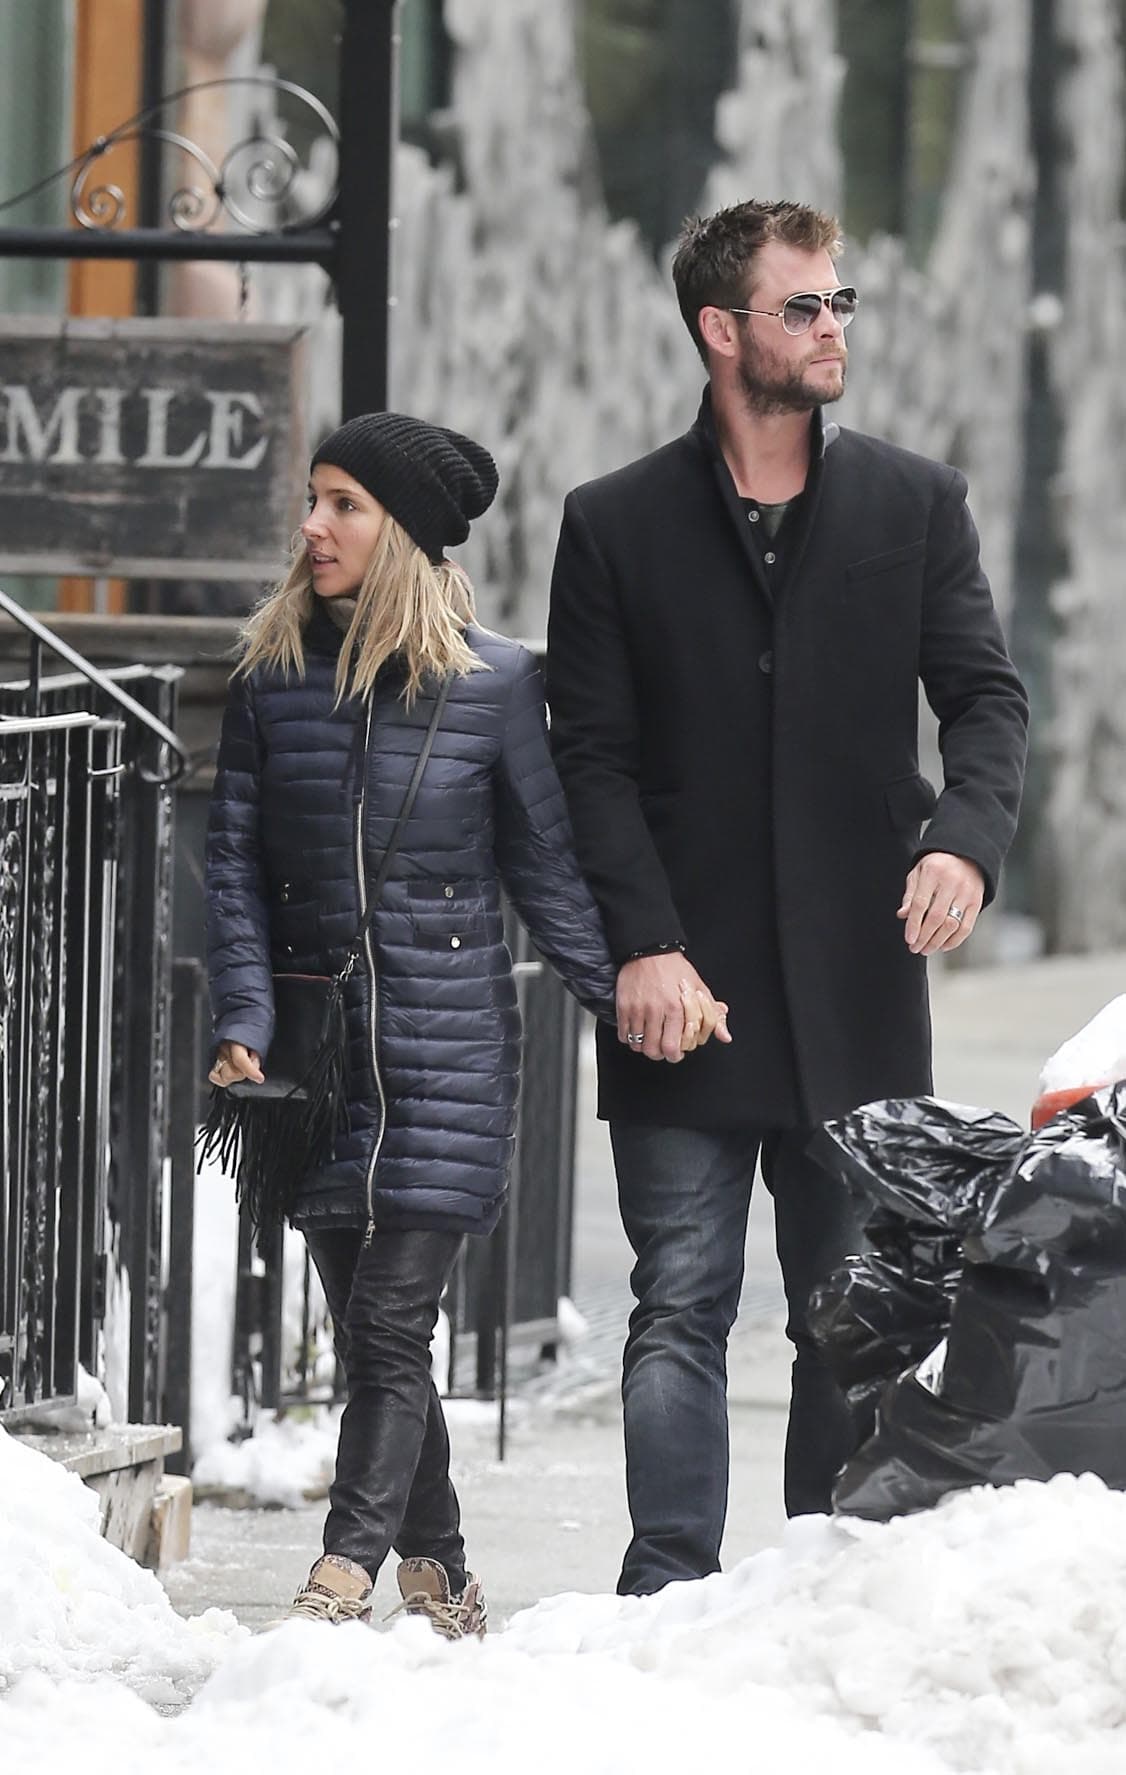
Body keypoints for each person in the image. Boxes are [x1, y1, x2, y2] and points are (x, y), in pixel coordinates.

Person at [544, 199, 1030, 1597]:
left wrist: (962, 839)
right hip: (678, 987)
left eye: (839, 304)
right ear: (722, 330)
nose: (831, 329)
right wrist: (641, 943)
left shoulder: (912, 500)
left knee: (852, 1318)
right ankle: (667, 1592)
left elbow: (984, 701)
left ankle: (819, 1592)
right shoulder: (614, 523)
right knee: (676, 1306)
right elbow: (594, 759)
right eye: (802, 306)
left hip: (856, 988)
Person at [205, 411, 666, 1636]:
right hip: (312, 1068)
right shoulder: (269, 680)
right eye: (314, 498)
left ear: (401, 533)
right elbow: (234, 869)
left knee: (385, 1320)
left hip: (451, 1052)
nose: (313, 524)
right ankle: (444, 1567)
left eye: (344, 504)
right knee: (379, 1341)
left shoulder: (501, 684)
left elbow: (549, 870)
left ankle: (342, 1568)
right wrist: (243, 1011)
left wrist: (626, 997)